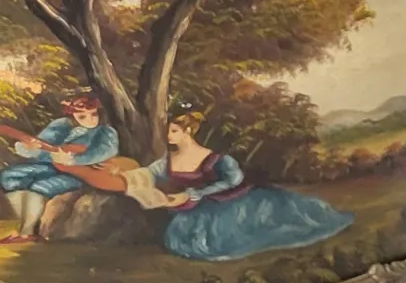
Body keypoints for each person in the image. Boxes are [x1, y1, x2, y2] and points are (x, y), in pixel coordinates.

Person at [147, 108, 352, 263]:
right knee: (179, 239)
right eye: (168, 131)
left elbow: (234, 179)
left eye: (173, 131)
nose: (168, 136)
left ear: (188, 131)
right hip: (195, 209)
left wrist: (200, 193)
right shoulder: (168, 159)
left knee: (270, 223)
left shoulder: (214, 158)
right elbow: (150, 172)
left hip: (229, 202)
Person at [0, 93, 120, 243]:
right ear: (72, 115)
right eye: (82, 116)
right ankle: (27, 224)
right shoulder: (61, 125)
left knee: (38, 186)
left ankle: (26, 232)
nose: (90, 119)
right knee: (8, 176)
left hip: (81, 173)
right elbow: (41, 149)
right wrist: (30, 147)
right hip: (51, 165)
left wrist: (74, 160)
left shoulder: (105, 132)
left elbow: (105, 152)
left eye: (94, 114)